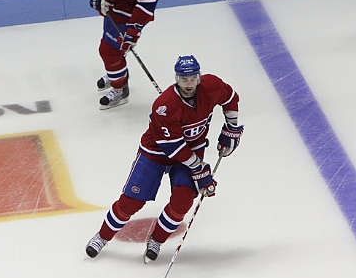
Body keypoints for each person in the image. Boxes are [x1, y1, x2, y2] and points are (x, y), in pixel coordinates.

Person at [85, 55, 243, 262]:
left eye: (193, 78)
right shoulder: (164, 106)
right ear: (177, 79)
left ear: (199, 76)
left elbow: (230, 98)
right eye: (184, 79)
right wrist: (199, 168)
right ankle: (102, 236)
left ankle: (156, 240)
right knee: (131, 202)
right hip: (156, 153)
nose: (189, 84)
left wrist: (231, 127)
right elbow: (172, 147)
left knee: (183, 201)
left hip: (191, 150)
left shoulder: (212, 86)